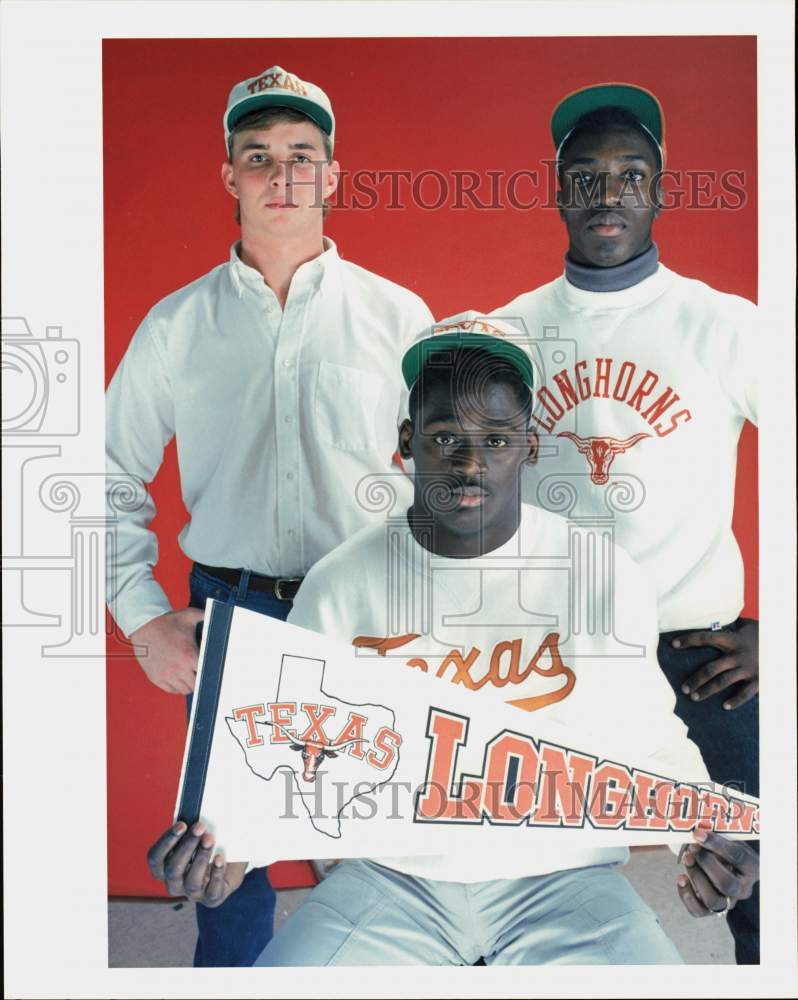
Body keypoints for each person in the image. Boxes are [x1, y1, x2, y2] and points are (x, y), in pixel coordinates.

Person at [148, 315, 758, 965]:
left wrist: (700, 831)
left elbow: (646, 733)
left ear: (528, 446)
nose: (470, 464)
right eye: (445, 438)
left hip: (563, 878)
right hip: (391, 879)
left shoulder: (600, 574)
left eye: (495, 439)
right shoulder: (342, 580)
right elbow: (281, 747)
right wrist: (229, 846)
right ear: (408, 441)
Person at [106, 63, 432, 967]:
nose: (280, 175)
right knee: (226, 856)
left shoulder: (399, 317)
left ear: (332, 175)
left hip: (367, 611)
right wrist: (140, 620)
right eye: (258, 156)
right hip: (230, 616)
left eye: (302, 155)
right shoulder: (177, 327)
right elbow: (100, 473)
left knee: (376, 843)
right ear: (230, 177)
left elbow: (454, 484)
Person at [489, 83, 760, 962]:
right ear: (559, 189)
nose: (609, 194)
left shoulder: (722, 324)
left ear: (660, 187)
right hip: (553, 654)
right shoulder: (507, 334)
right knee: (516, 892)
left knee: (760, 883)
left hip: (699, 657)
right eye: (588, 176)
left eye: (631, 174)